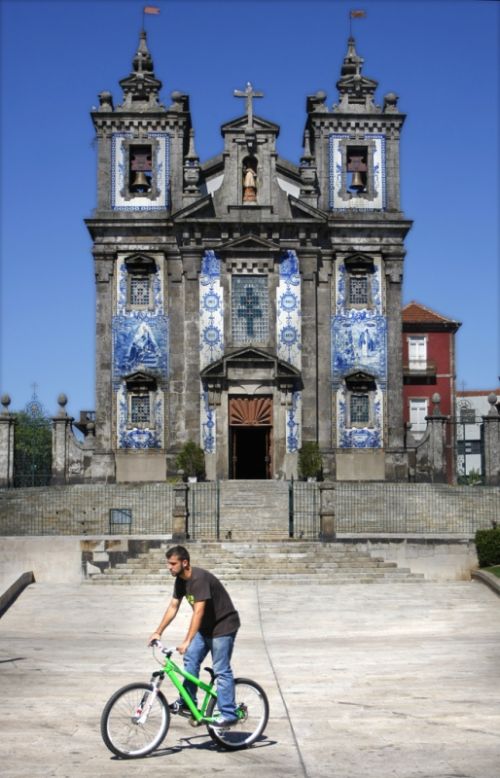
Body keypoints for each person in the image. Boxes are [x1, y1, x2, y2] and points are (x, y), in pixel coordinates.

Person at [148, 545, 241, 726]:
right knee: (191, 658)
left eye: (173, 563)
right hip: (206, 628)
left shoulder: (199, 579)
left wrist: (187, 641)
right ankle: (188, 703)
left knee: (221, 669)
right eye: (168, 563)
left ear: (185, 562)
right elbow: (173, 606)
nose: (169, 567)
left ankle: (229, 714)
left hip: (223, 626)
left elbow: (198, 612)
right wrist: (158, 631)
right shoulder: (180, 581)